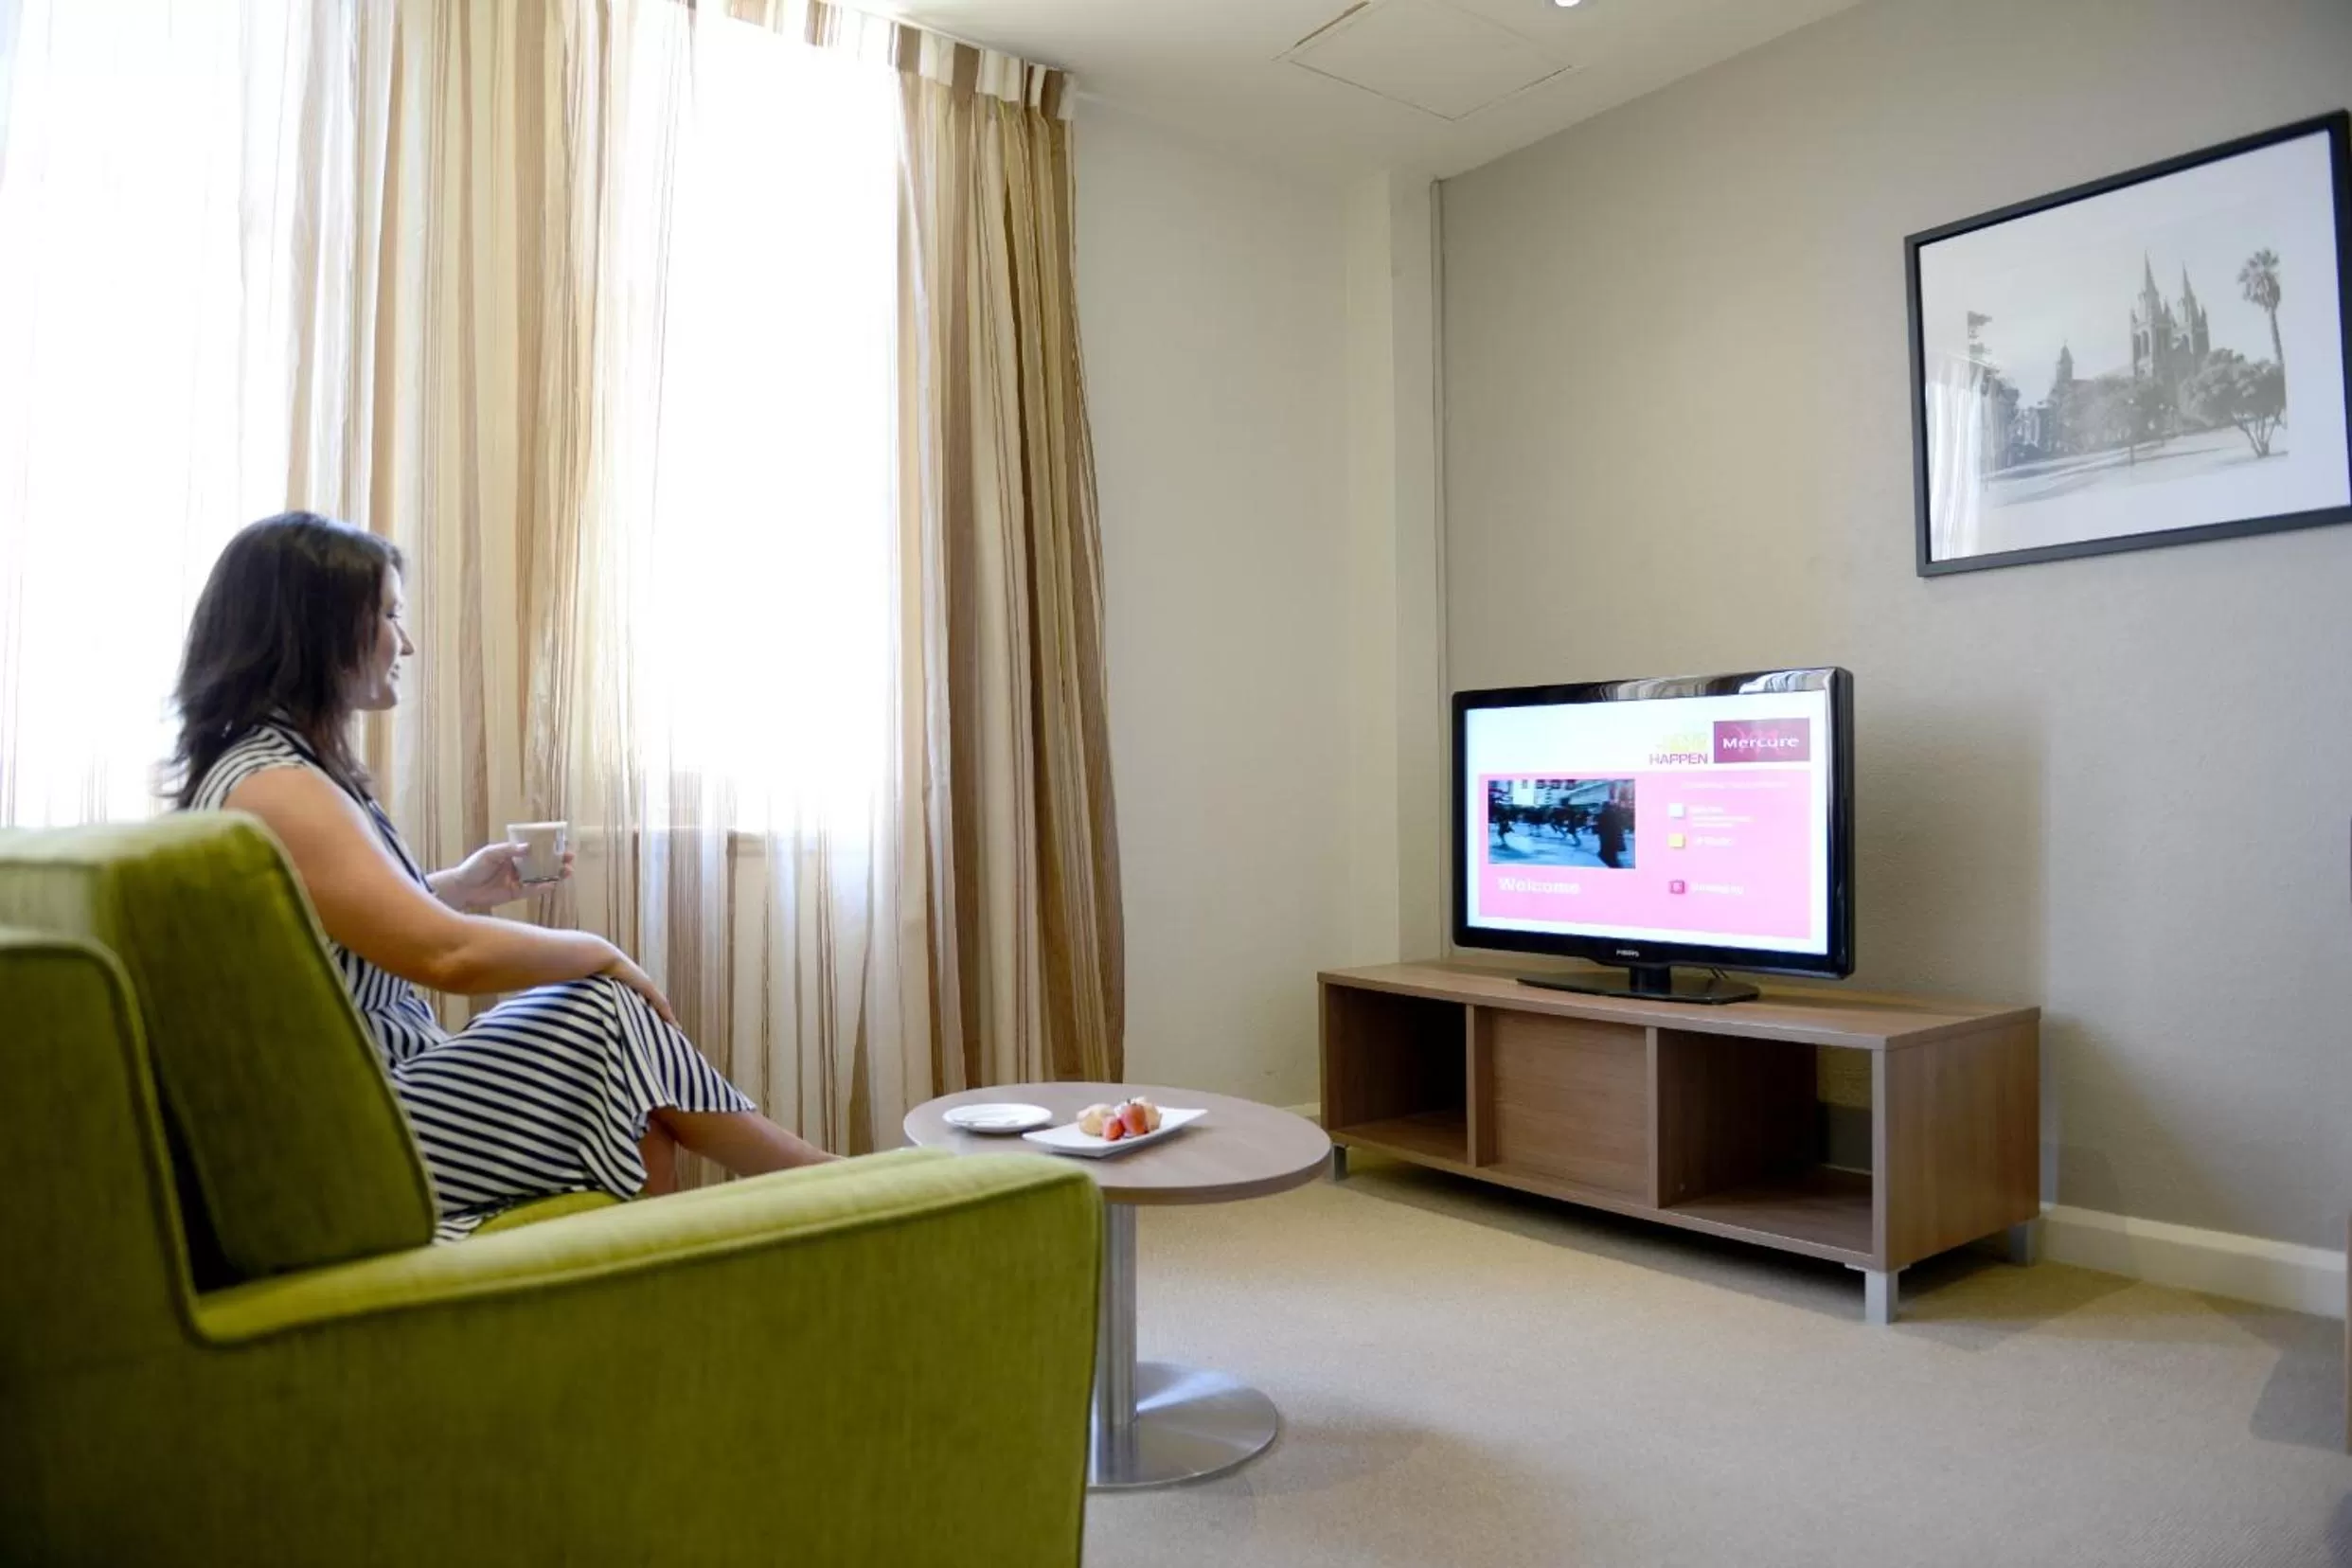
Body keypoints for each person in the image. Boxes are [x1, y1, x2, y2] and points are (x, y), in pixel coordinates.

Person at [171, 511, 834, 1238]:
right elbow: (444, 957)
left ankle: (674, 1294)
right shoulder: (277, 785)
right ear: (320, 628)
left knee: (632, 1112)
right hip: (337, 1132)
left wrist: (453, 888)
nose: (408, 642)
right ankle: (833, 1188)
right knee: (601, 1011)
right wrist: (603, 953)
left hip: (369, 1099)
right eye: (391, 614)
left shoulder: (275, 767)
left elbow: (318, 934)